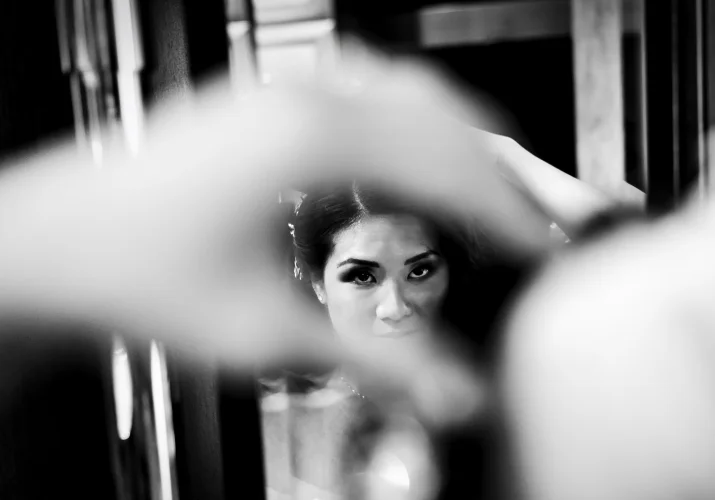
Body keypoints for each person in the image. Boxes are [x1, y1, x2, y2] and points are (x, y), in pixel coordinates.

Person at [2, 43, 710, 500]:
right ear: (315, 280)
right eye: (362, 276)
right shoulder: (265, 424)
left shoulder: (528, 369)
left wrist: (504, 157)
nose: (396, 305)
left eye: (420, 270)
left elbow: (650, 266)